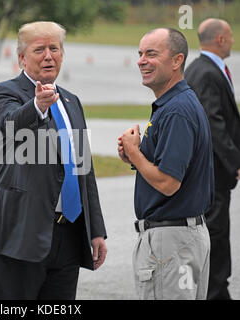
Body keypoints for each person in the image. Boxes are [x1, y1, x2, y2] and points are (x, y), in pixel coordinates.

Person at [0, 21, 107, 300]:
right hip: (19, 235)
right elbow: (6, 127)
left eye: (54, 48)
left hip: (69, 235)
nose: (49, 55)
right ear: (22, 58)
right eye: (39, 49)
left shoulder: (72, 102)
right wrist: (37, 106)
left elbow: (84, 168)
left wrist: (95, 229)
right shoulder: (5, 94)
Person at [118, 28, 214, 299]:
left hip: (171, 242)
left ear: (176, 61)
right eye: (139, 54)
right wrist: (134, 157)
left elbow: (169, 183)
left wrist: (135, 153)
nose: (141, 61)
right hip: (181, 239)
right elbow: (169, 169)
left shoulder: (176, 111)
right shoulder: (177, 103)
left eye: (151, 54)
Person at [185, 18, 240, 300]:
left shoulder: (199, 68)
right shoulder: (207, 72)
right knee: (216, 236)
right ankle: (216, 292)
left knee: (213, 235)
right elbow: (213, 122)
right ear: (219, 39)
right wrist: (235, 160)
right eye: (230, 35)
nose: (233, 40)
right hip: (214, 173)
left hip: (210, 173)